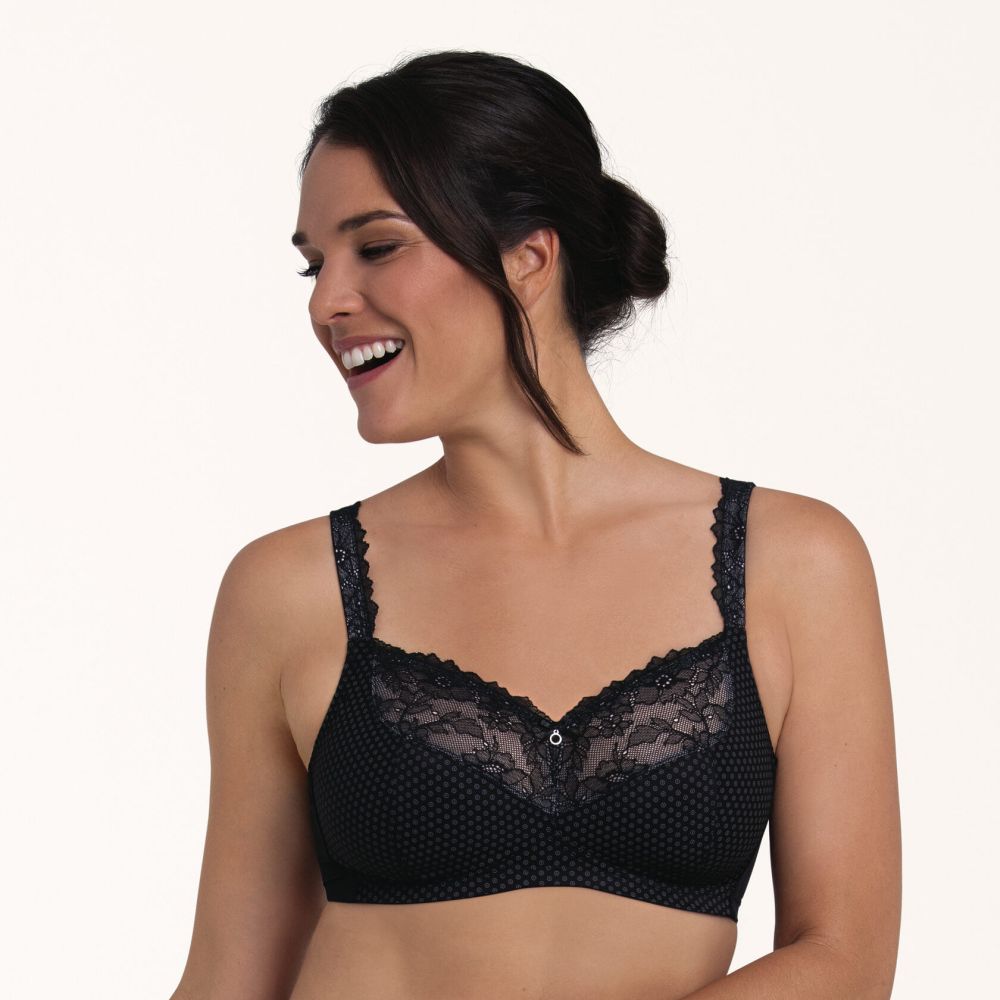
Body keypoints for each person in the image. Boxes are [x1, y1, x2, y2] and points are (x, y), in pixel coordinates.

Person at [169, 50, 901, 1000]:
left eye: (376, 247)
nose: (325, 302)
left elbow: (844, 958)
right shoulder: (289, 589)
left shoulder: (792, 564)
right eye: (315, 265)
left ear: (528, 257)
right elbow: (230, 978)